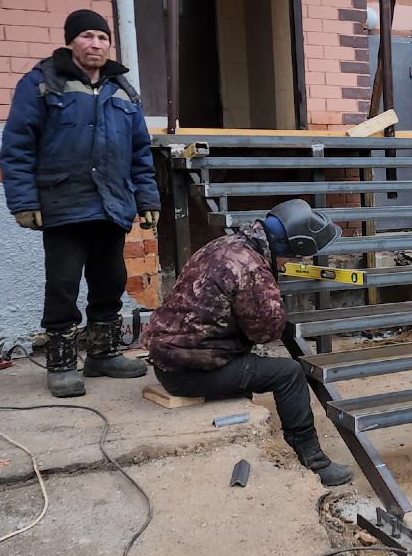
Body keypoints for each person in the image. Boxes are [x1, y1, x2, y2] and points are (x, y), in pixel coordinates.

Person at [0, 9, 161, 399]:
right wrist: (23, 200)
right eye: (87, 36)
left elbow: (140, 150)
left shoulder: (122, 89)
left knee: (110, 280)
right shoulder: (41, 83)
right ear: (71, 41)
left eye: (103, 37)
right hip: (63, 202)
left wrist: (147, 196)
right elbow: (17, 146)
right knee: (64, 283)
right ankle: (61, 364)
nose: (96, 44)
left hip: (112, 204)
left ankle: (102, 355)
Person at [142, 199, 355, 487]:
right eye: (292, 258)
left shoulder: (223, 244)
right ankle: (314, 461)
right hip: (188, 372)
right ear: (289, 247)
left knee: (262, 368)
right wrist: (275, 301)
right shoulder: (253, 268)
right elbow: (266, 332)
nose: (291, 264)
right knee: (289, 374)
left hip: (171, 358)